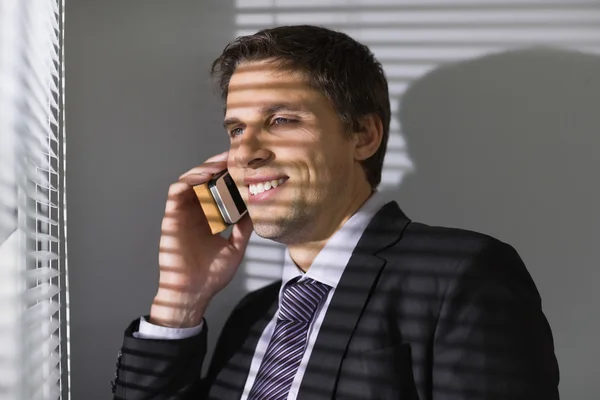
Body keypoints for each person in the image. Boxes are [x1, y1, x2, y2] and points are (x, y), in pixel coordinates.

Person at [112, 25, 559, 400]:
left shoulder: (462, 274)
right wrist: (181, 297)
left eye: (281, 120)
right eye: (235, 129)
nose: (245, 153)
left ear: (363, 135)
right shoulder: (252, 314)